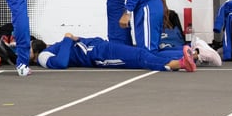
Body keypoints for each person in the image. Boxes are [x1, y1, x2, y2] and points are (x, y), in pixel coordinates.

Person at [32, 33, 196, 72]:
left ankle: (193, 55)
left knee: (143, 52)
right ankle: (178, 64)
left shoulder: (50, 47)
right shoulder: (42, 57)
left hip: (99, 46)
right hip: (99, 56)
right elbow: (61, 63)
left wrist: (72, 38)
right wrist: (68, 39)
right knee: (139, 57)